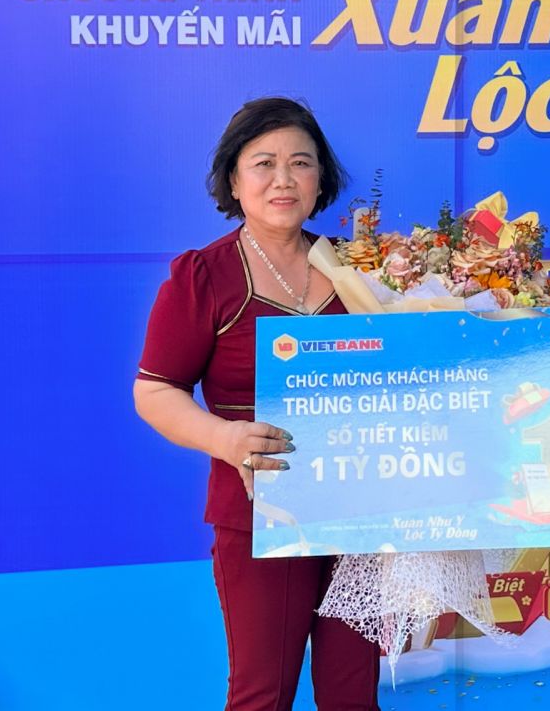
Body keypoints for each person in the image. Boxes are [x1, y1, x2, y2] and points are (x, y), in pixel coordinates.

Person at [134, 97, 379, 711]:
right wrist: (225, 439)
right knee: (262, 695)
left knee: (354, 695)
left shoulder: (362, 271)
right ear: (234, 179)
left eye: (301, 162)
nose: (283, 179)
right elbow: (154, 390)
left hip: (364, 512)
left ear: (321, 179)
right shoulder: (204, 277)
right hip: (261, 516)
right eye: (264, 163)